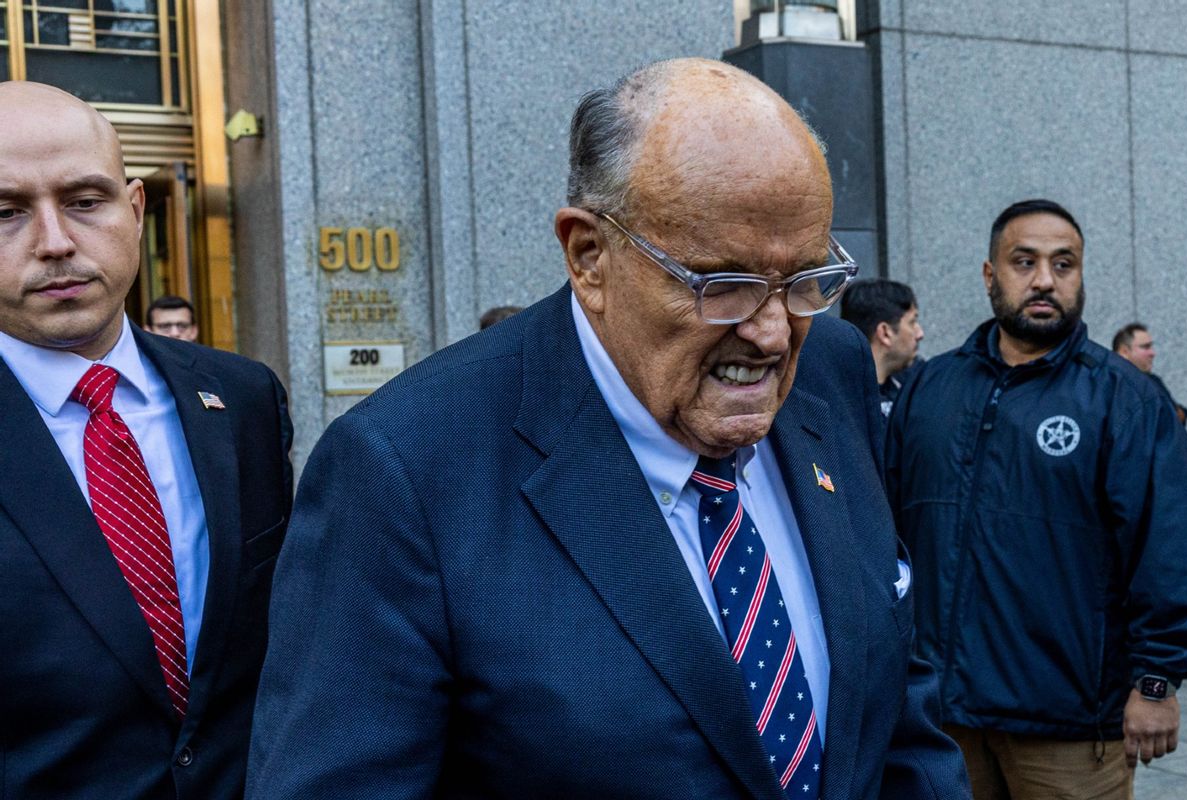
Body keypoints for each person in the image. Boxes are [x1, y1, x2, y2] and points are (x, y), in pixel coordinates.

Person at [248, 58, 967, 799]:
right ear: (590, 255)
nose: (774, 334)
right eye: (725, 285)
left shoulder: (834, 371)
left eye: (807, 280)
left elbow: (893, 702)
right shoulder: (403, 471)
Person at [0, 82, 293, 799]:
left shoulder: (244, 399)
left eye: (85, 201)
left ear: (134, 211)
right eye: (6, 213)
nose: (56, 241)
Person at [886, 198, 1187, 800]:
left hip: (1069, 726)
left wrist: (1156, 680)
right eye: (1023, 262)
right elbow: (885, 537)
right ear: (989, 274)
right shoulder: (931, 389)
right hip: (941, 720)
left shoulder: (1126, 402)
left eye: (1064, 265)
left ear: (1080, 275)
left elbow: (1170, 549)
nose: (1044, 281)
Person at [840, 279, 924, 417]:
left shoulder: (913, 385)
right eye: (912, 322)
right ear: (885, 332)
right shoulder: (844, 402)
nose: (920, 333)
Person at [1113, 322, 1187, 427]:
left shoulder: (1153, 380)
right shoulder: (1109, 384)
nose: (1152, 353)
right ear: (1124, 351)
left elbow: (1175, 417)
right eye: (1145, 347)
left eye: (1151, 347)